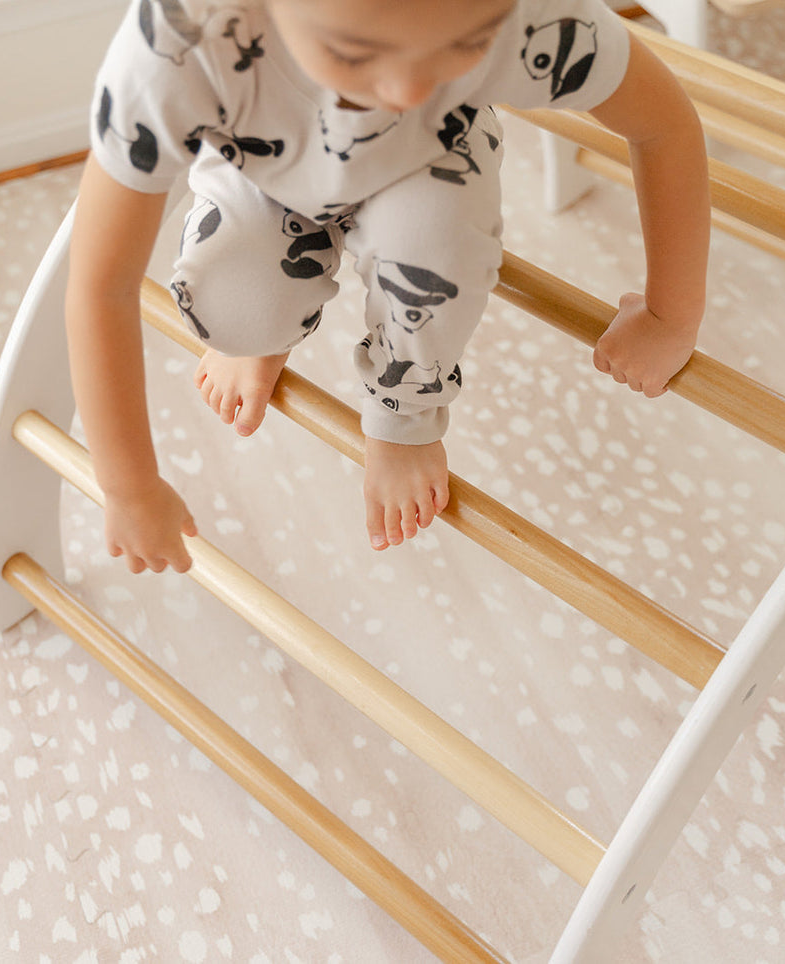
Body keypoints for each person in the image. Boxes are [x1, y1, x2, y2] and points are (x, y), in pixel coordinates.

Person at [66, 0, 710, 574]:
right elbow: (101, 286)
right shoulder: (182, 38)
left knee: (442, 242)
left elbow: (663, 125)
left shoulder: (529, 13)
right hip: (269, 161)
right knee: (233, 309)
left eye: (466, 41)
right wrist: (128, 487)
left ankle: (405, 411)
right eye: (353, 52)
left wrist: (669, 316)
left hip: (432, 159)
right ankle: (264, 330)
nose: (406, 88)